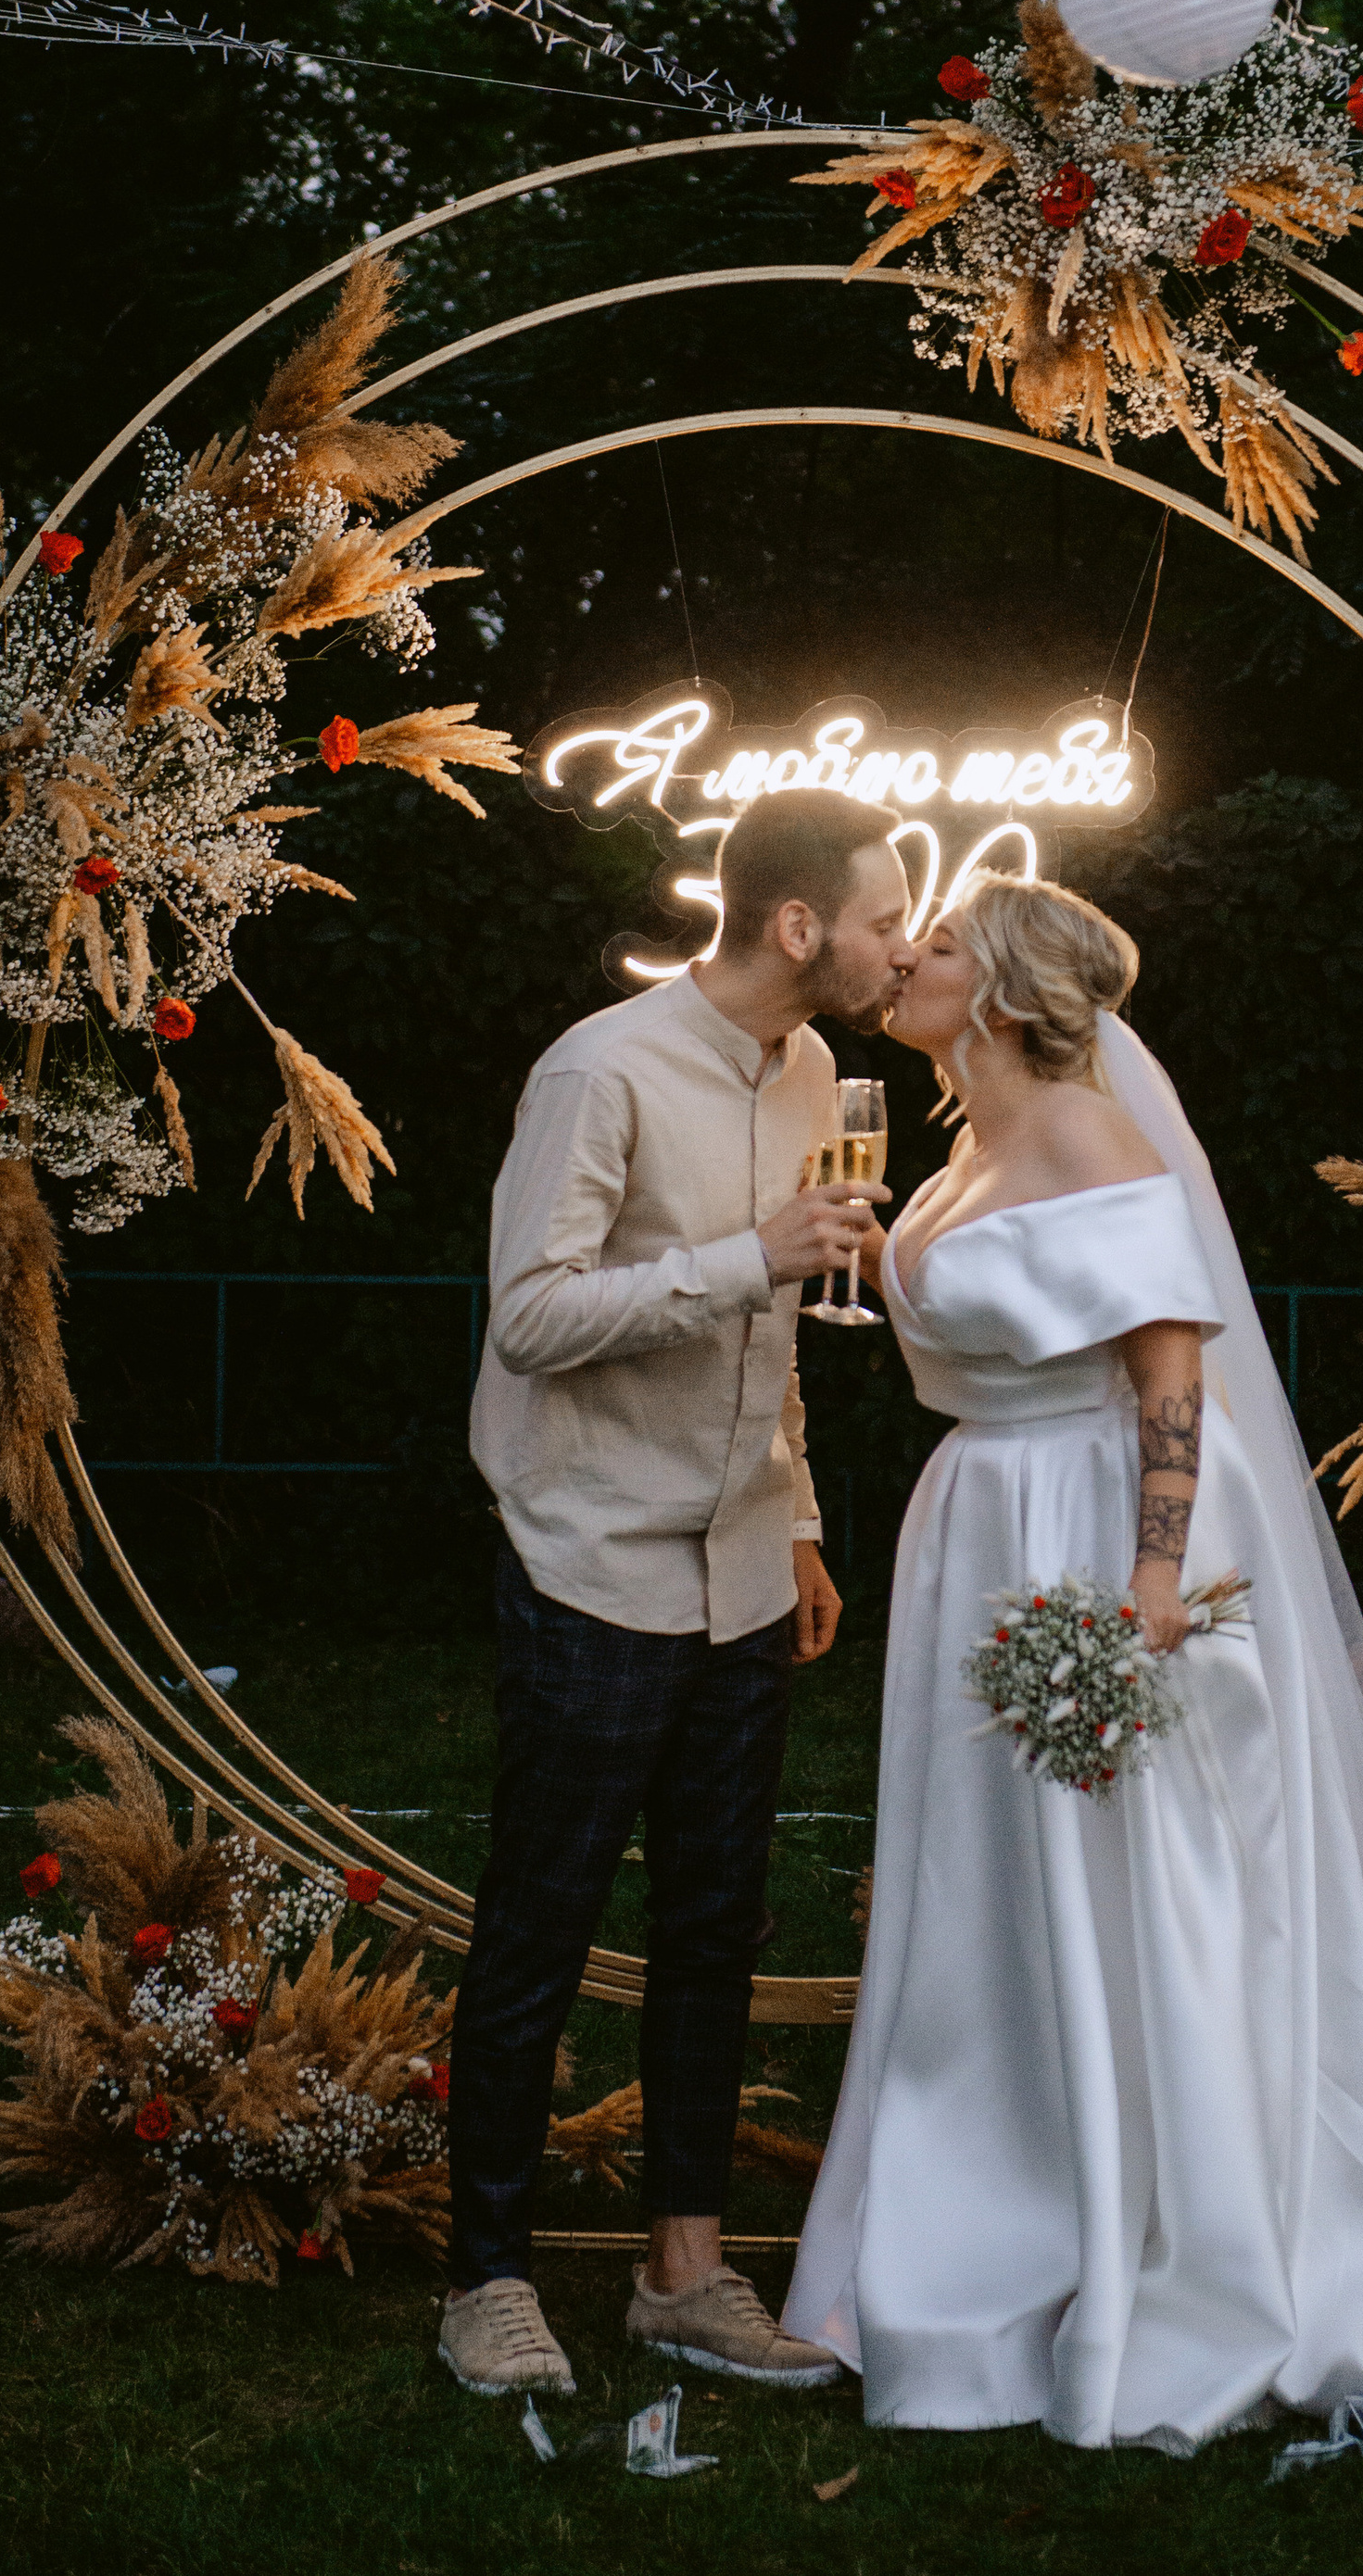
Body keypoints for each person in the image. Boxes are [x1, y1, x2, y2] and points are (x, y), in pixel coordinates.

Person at [782, 872, 1363, 2452]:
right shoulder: (965, 1143)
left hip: (1103, 1524)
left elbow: (1170, 1361)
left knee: (1147, 1878)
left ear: (1005, 991)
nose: (908, 952)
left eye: (946, 942)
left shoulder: (1089, 1134)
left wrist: (1159, 1572)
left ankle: (1180, 2237)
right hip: (986, 1518)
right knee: (991, 1892)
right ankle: (1004, 2213)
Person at [437, 786, 915, 2399]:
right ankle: (487, 2282)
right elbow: (530, 1317)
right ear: (798, 927)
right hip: (591, 1565)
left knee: (714, 1928)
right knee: (542, 1927)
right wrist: (747, 1253)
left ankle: (683, 2277)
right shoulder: (601, 1069)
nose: (898, 944)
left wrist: (797, 1513)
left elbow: (770, 1342)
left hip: (738, 1576)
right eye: (879, 917)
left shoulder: (812, 1076)